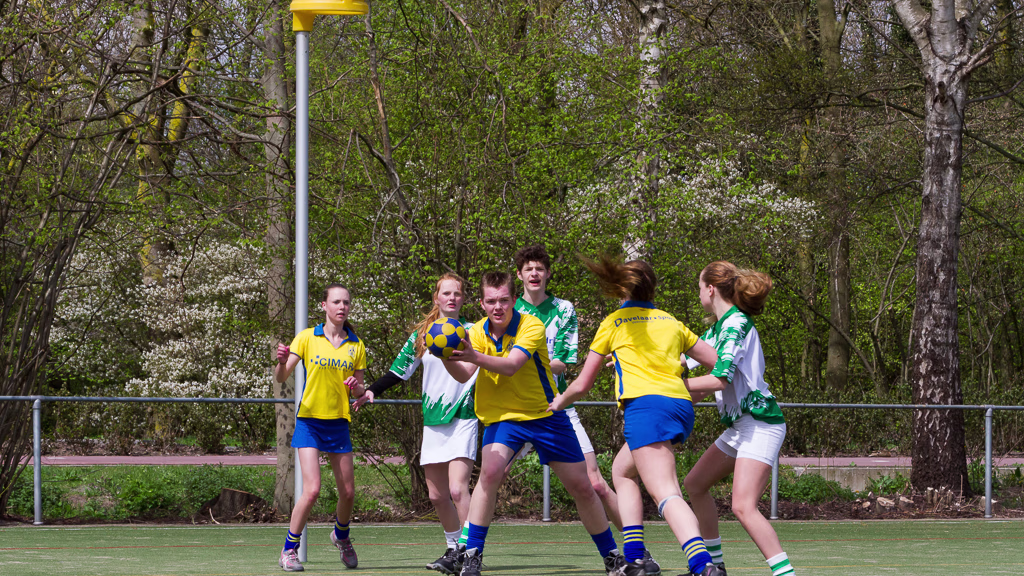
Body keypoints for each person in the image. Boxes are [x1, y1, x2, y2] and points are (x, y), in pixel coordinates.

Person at [441, 272, 628, 576]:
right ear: (482, 303)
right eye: (491, 301)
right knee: (490, 472)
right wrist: (444, 355)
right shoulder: (475, 332)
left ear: (514, 300)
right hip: (504, 418)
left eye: (504, 300)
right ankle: (472, 555)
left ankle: (612, 557)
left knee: (583, 487)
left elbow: (512, 365)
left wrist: (473, 356)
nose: (498, 307)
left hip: (546, 415)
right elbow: (463, 375)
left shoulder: (531, 325)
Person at [549, 257, 724, 576]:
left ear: (622, 289)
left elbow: (583, 384)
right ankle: (635, 559)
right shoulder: (670, 321)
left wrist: (559, 401)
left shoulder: (614, 323)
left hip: (646, 408)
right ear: (651, 289)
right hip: (679, 406)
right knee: (622, 471)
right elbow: (718, 362)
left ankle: (702, 565)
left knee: (666, 492)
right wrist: (676, 371)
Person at [512, 245, 659, 575]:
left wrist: (522, 360)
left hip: (557, 406)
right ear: (519, 275)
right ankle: (463, 550)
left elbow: (563, 363)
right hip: (516, 409)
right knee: (490, 476)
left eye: (540, 268)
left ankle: (637, 552)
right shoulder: (509, 310)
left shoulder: (563, 310)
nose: (534, 273)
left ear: (548, 274)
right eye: (528, 268)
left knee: (595, 483)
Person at [354, 273, 478, 574]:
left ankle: (472, 552)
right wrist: (372, 390)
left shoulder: (475, 332)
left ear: (463, 298)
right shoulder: (423, 335)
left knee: (458, 490)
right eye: (446, 293)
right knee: (436, 495)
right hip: (433, 420)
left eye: (457, 293)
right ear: (436, 298)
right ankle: (453, 550)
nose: (452, 298)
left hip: (464, 416)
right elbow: (399, 371)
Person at [682, 261, 795, 576]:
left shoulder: (735, 325)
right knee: (695, 484)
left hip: (761, 425)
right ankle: (715, 566)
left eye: (699, 288)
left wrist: (670, 389)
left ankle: (786, 574)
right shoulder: (718, 328)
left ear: (710, 289)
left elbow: (719, 379)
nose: (698, 294)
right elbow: (680, 362)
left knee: (743, 506)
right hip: (740, 428)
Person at [274, 283, 367, 573]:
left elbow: (359, 391)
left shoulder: (356, 345)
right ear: (324, 305)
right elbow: (281, 377)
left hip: (338, 423)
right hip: (310, 422)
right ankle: (289, 550)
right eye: (336, 302)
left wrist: (357, 387)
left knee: (348, 493)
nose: (342, 307)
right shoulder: (306, 337)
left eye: (346, 302)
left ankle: (341, 536)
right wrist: (280, 363)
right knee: (312, 490)